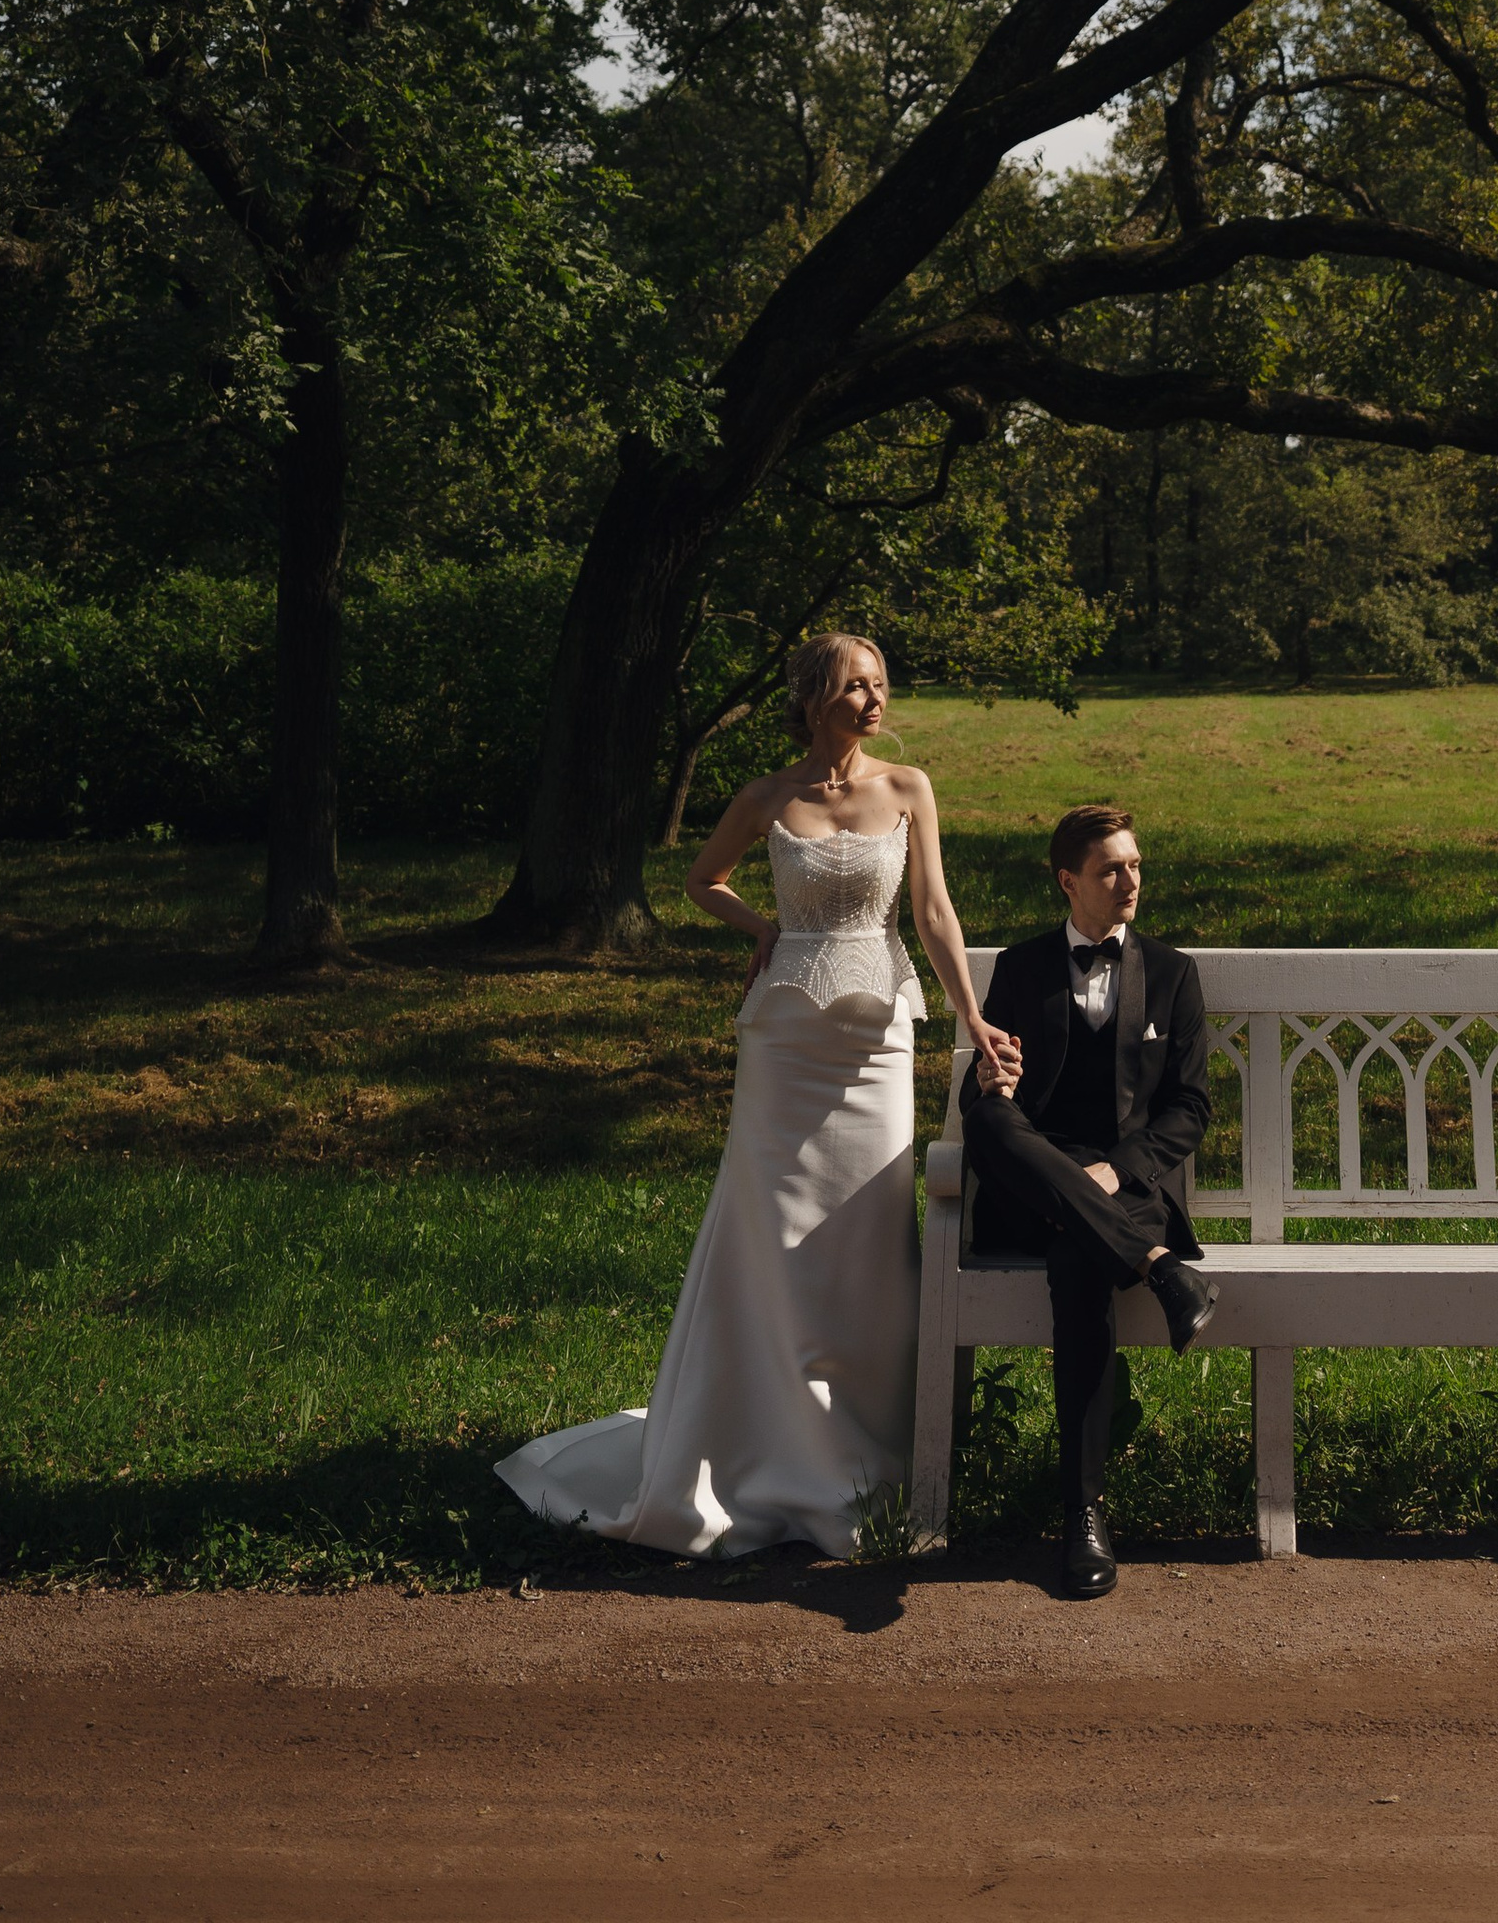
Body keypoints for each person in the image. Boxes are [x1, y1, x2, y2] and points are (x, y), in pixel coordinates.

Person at [496, 631, 1017, 1561]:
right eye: (857, 688)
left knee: (864, 1240)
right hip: (784, 1046)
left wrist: (968, 1019)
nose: (873, 703)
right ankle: (758, 1447)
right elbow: (702, 881)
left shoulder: (909, 787)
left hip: (876, 1043)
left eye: (881, 688)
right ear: (815, 696)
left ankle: (869, 1455)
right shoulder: (767, 798)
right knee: (771, 1239)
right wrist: (767, 930)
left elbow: (934, 913)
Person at [962, 804, 1219, 1599]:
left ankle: (1084, 1517)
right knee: (984, 1118)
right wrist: (993, 1078)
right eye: (1112, 870)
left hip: (1127, 1188)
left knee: (1078, 1260)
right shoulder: (1022, 966)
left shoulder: (1172, 973)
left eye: (1136, 864)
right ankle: (1160, 1269)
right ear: (1069, 881)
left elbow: (1190, 1107)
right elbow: (1002, 1094)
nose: (1131, 880)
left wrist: (1119, 1168)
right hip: (1043, 1182)